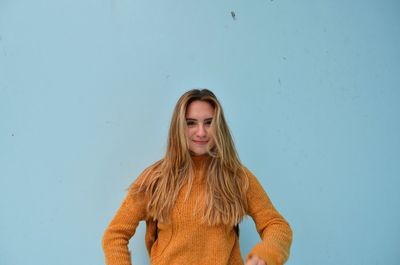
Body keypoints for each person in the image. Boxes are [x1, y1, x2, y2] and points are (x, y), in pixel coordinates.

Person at [102, 89, 293, 265]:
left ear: (219, 127)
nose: (201, 132)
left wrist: (265, 254)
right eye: (191, 123)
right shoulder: (156, 179)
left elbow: (277, 226)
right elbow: (115, 235)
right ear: (179, 126)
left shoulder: (236, 177)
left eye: (209, 122)